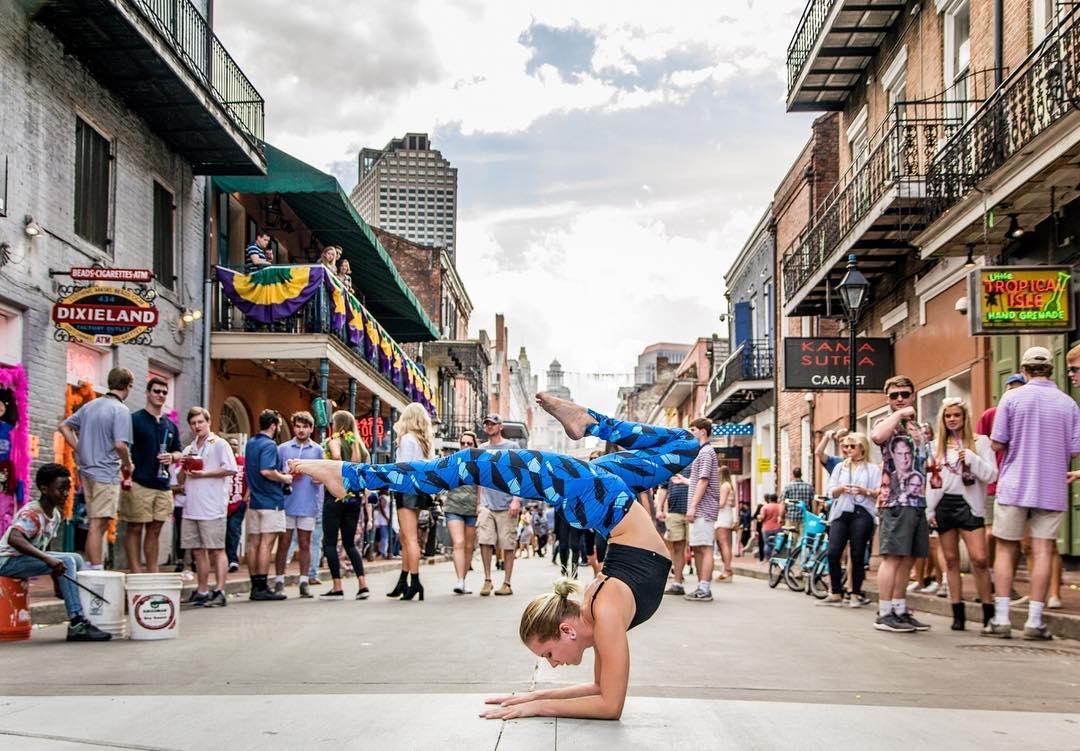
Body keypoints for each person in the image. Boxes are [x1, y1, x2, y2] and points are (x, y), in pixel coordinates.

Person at [288, 393, 699, 721]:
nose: (553, 665)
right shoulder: (604, 612)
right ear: (569, 631)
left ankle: (348, 474)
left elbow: (607, 702)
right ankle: (588, 423)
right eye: (548, 657)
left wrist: (537, 702)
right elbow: (604, 697)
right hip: (602, 499)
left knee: (470, 464)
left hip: (599, 498)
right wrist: (534, 700)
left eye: (547, 657)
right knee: (684, 445)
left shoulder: (603, 610)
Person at [986, 347, 1080, 640]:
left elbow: (997, 443)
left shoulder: (1012, 398)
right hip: (1051, 485)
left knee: (1005, 548)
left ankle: (1001, 618)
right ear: (1051, 370)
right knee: (1042, 551)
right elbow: (1075, 449)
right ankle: (1034, 621)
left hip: (1014, 483)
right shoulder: (1068, 404)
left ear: (1024, 371)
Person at [0, 463, 111, 641]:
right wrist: (48, 560)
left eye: (68, 489)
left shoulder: (55, 515)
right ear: (44, 489)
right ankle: (77, 623)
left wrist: (57, 579)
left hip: (22, 560)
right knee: (67, 559)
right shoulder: (32, 513)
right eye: (61, 489)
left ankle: (87, 614)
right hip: (7, 561)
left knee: (76, 558)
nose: (66, 494)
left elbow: (46, 549)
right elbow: (15, 538)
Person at [925, 398, 996, 631]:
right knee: (951, 560)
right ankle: (957, 612)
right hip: (944, 504)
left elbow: (991, 475)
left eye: (957, 415)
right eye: (948, 416)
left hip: (969, 505)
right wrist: (930, 509)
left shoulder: (980, 442)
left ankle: (988, 612)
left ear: (965, 417)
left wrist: (972, 458)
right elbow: (931, 481)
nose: (952, 419)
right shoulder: (936, 446)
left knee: (979, 559)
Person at [870, 375, 931, 633]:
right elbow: (876, 436)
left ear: (913, 394)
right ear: (887, 398)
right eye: (894, 395)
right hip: (894, 499)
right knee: (892, 556)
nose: (899, 399)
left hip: (917, 498)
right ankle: (884, 612)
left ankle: (900, 607)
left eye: (904, 394)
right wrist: (899, 414)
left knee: (908, 558)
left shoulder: (920, 427)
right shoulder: (886, 423)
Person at [59, 367, 134, 568]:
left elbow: (64, 426)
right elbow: (120, 445)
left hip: (87, 471)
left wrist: (79, 448)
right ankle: (95, 568)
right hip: (106, 472)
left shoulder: (90, 406)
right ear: (128, 387)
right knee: (98, 523)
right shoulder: (121, 410)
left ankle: (93, 566)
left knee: (95, 521)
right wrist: (128, 464)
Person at [120, 377, 181, 573]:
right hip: (140, 482)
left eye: (164, 392)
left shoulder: (170, 425)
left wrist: (172, 457)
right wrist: (127, 470)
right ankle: (136, 572)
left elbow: (179, 451)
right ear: (147, 393)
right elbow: (123, 448)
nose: (160, 395)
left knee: (155, 529)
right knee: (135, 527)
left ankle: (152, 572)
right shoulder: (135, 419)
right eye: (156, 391)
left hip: (163, 485)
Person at [177, 407, 237, 608]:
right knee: (197, 551)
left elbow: (230, 468)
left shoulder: (219, 444)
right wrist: (183, 465)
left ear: (208, 422)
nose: (197, 426)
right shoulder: (189, 448)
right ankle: (202, 589)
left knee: (216, 550)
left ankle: (220, 590)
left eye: (200, 422)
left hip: (212, 506)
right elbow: (179, 478)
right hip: (191, 505)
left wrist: (205, 473)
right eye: (193, 423)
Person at [820, 433, 879, 607]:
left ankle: (854, 593)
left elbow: (879, 492)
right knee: (833, 551)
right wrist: (840, 489)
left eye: (852, 446)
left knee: (857, 553)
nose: (847, 450)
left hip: (863, 512)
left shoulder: (872, 469)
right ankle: (836, 592)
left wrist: (865, 491)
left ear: (862, 447)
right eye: (846, 446)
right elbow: (830, 491)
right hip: (841, 512)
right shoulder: (840, 467)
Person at [384, 403, 435, 601]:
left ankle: (414, 581)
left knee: (410, 539)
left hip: (406, 489)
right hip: (419, 489)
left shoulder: (407, 439)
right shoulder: (425, 443)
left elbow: (403, 468)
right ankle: (404, 580)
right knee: (407, 538)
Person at [320, 410, 372, 600]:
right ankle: (362, 584)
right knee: (350, 544)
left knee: (330, 543)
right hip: (354, 498)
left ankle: (337, 586)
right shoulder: (361, 446)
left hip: (335, 496)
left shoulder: (334, 441)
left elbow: (336, 458)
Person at [274, 411, 324, 598]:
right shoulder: (283, 449)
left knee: (305, 543)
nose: (301, 430)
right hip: (287, 502)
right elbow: (276, 472)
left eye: (305, 426)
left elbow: (321, 476)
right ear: (293, 427)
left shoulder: (317, 450)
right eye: (298, 426)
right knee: (284, 543)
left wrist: (315, 476)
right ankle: (279, 580)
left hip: (308, 503)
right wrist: (286, 474)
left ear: (311, 429)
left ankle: (304, 581)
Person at [245, 409, 293, 601]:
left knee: (253, 543)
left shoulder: (250, 443)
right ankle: (262, 585)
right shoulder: (269, 445)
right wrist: (285, 478)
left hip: (255, 500)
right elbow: (266, 471)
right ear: (274, 425)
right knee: (266, 543)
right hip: (270, 500)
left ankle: (255, 585)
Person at [476, 413, 520, 596]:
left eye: (493, 424)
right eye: (487, 424)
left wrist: (516, 500)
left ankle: (507, 583)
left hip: (507, 503)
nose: (489, 426)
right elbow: (478, 477)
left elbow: (520, 475)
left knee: (507, 544)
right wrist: (479, 502)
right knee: (485, 541)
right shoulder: (481, 449)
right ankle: (487, 580)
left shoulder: (512, 447)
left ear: (500, 426)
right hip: (487, 503)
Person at [684, 418, 719, 602]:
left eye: (693, 429)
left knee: (704, 548)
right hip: (700, 509)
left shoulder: (706, 452)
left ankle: (705, 587)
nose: (691, 433)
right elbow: (698, 480)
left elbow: (704, 480)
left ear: (703, 431)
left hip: (703, 509)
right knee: (697, 547)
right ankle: (700, 585)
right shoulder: (701, 452)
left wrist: (693, 506)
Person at [443, 429, 480, 594]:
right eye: (463, 442)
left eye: (469, 443)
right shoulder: (452, 461)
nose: (465, 445)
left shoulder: (479, 464)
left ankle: (463, 581)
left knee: (468, 546)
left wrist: (480, 505)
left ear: (474, 445)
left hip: (472, 508)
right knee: (458, 543)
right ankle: (459, 580)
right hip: (453, 506)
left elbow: (481, 487)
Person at [654, 464, 690, 595]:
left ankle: (702, 585)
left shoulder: (697, 458)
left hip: (694, 511)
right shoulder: (671, 463)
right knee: (677, 547)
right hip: (674, 511)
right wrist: (659, 509)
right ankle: (678, 582)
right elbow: (663, 488)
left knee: (697, 548)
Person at [225, 437, 246, 573]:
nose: (234, 446)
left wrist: (245, 498)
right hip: (222, 502)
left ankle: (233, 560)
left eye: (236, 444)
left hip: (239, 502)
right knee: (223, 532)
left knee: (233, 529)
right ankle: (225, 559)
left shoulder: (243, 462)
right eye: (231, 444)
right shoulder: (223, 461)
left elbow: (248, 480)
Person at [713, 465, 736, 583]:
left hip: (722, 516)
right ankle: (726, 568)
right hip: (726, 514)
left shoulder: (724, 486)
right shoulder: (730, 486)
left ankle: (727, 569)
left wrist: (710, 504)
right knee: (723, 543)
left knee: (723, 543)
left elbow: (721, 504)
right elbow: (733, 504)